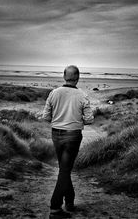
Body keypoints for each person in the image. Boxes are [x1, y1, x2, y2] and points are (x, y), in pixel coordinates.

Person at [42, 65, 94, 218]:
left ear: (64, 76)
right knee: (65, 170)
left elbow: (46, 117)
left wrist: (59, 118)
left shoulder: (54, 93)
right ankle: (55, 208)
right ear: (78, 77)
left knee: (64, 169)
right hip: (73, 135)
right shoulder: (82, 95)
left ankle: (69, 202)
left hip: (56, 134)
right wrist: (77, 120)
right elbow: (89, 120)